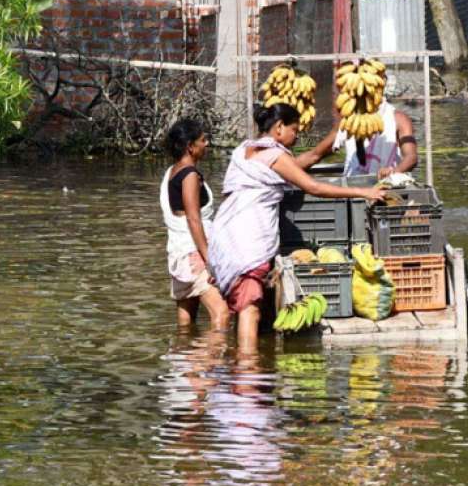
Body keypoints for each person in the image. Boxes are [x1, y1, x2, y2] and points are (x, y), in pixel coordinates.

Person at [207, 103, 385, 353]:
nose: (297, 135)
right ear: (279, 128)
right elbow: (313, 187)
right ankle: (247, 373)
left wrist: (336, 131)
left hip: (225, 236)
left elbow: (307, 159)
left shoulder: (244, 150)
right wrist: (361, 191)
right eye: (294, 129)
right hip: (248, 240)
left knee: (239, 302)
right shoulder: (275, 156)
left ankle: (234, 362)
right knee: (250, 309)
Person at [161, 119, 229, 330]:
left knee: (186, 322)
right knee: (222, 315)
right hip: (194, 255)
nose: (206, 144)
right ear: (190, 146)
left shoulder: (172, 171)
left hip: (178, 253)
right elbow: (193, 219)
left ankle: (184, 360)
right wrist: (209, 259)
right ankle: (207, 359)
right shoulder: (189, 175)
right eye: (202, 140)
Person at [328, 98, 418, 179]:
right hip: (353, 187)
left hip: (387, 187)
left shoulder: (399, 119)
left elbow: (411, 157)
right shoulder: (348, 119)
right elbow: (319, 153)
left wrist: (393, 171)